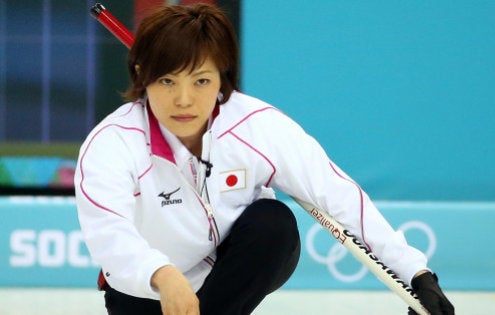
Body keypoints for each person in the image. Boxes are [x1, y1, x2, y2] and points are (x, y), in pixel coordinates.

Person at [75, 3, 455, 315]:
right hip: (146, 293)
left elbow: (336, 195)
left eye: (201, 81)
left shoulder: (257, 126)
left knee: (273, 224)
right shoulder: (111, 145)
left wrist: (416, 272)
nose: (184, 100)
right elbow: (110, 234)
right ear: (142, 75)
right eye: (168, 81)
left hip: (224, 278)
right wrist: (161, 273)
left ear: (222, 77)